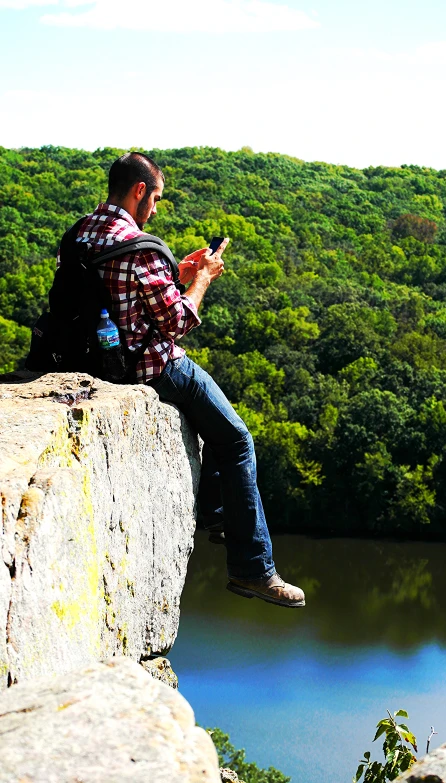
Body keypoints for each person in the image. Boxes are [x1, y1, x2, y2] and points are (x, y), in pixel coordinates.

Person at [70, 151, 305, 609]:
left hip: (97, 360)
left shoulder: (80, 232)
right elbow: (176, 321)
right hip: (152, 368)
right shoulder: (140, 246)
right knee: (237, 440)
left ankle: (219, 516)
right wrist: (202, 280)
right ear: (140, 190)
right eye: (154, 197)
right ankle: (254, 569)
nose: (154, 208)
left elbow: (122, 299)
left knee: (219, 433)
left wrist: (175, 274)